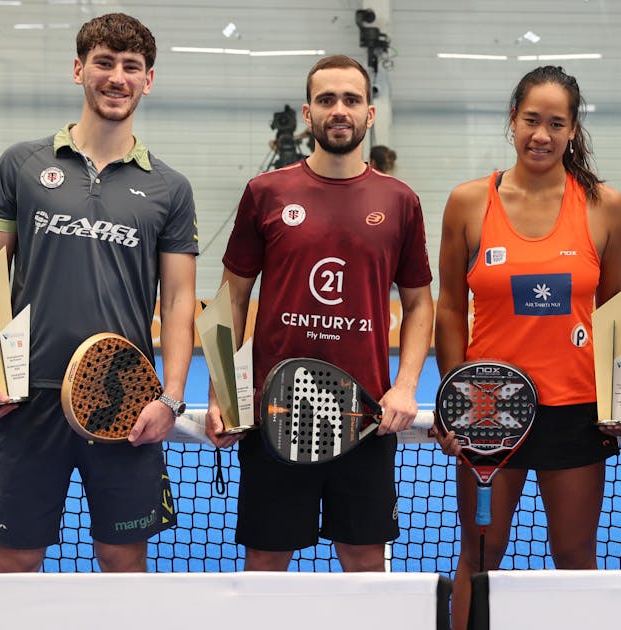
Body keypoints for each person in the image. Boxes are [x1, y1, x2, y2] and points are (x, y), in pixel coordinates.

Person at [0, 13, 198, 573]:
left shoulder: (170, 188)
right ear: (79, 70)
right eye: (104, 63)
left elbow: (181, 299)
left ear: (148, 80)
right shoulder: (23, 164)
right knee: (14, 561)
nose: (117, 77)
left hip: (124, 402)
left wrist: (171, 398)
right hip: (24, 398)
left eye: (131, 67)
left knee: (122, 560)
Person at [205, 54, 434, 572]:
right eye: (326, 99)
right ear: (308, 113)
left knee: (365, 561)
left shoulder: (400, 202)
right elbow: (232, 297)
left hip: (364, 417)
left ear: (369, 114)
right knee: (266, 561)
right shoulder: (266, 193)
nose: (339, 110)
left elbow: (420, 303)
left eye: (351, 99)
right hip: (275, 414)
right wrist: (222, 390)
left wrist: (406, 385)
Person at [433, 66, 621, 630]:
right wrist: (454, 399)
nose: (541, 135)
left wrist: (619, 397)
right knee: (479, 556)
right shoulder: (469, 203)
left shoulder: (605, 206)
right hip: (485, 410)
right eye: (531, 120)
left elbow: (612, 310)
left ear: (573, 130)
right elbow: (449, 306)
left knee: (574, 558)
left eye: (556, 123)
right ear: (513, 122)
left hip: (575, 410)